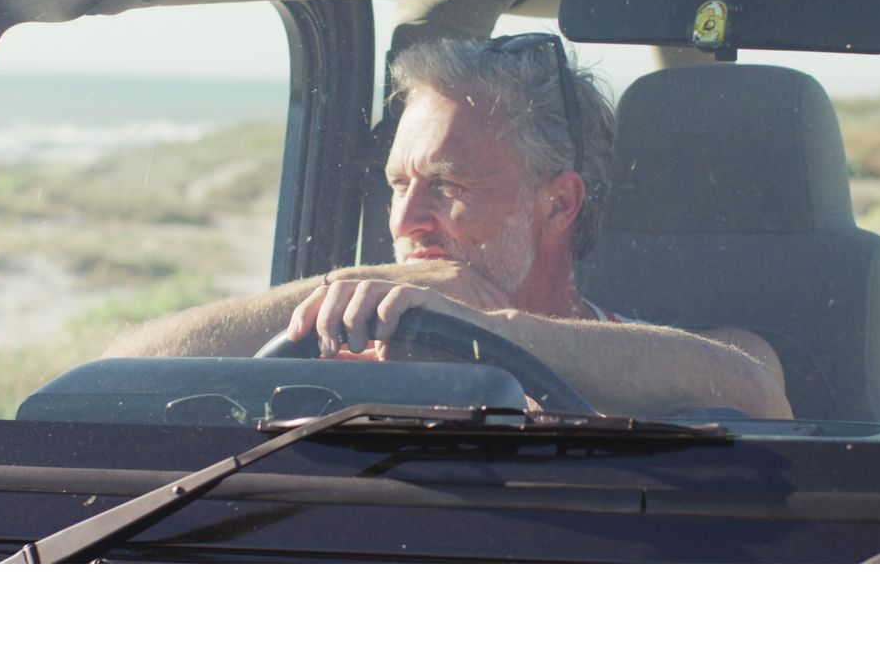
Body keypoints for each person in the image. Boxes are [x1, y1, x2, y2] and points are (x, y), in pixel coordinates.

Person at [104, 34, 791, 420]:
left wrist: (484, 333)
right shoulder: (325, 365)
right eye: (399, 184)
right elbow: (106, 382)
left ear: (558, 204)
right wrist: (334, 294)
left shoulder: (669, 360)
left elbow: (756, 392)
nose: (405, 221)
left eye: (449, 186)